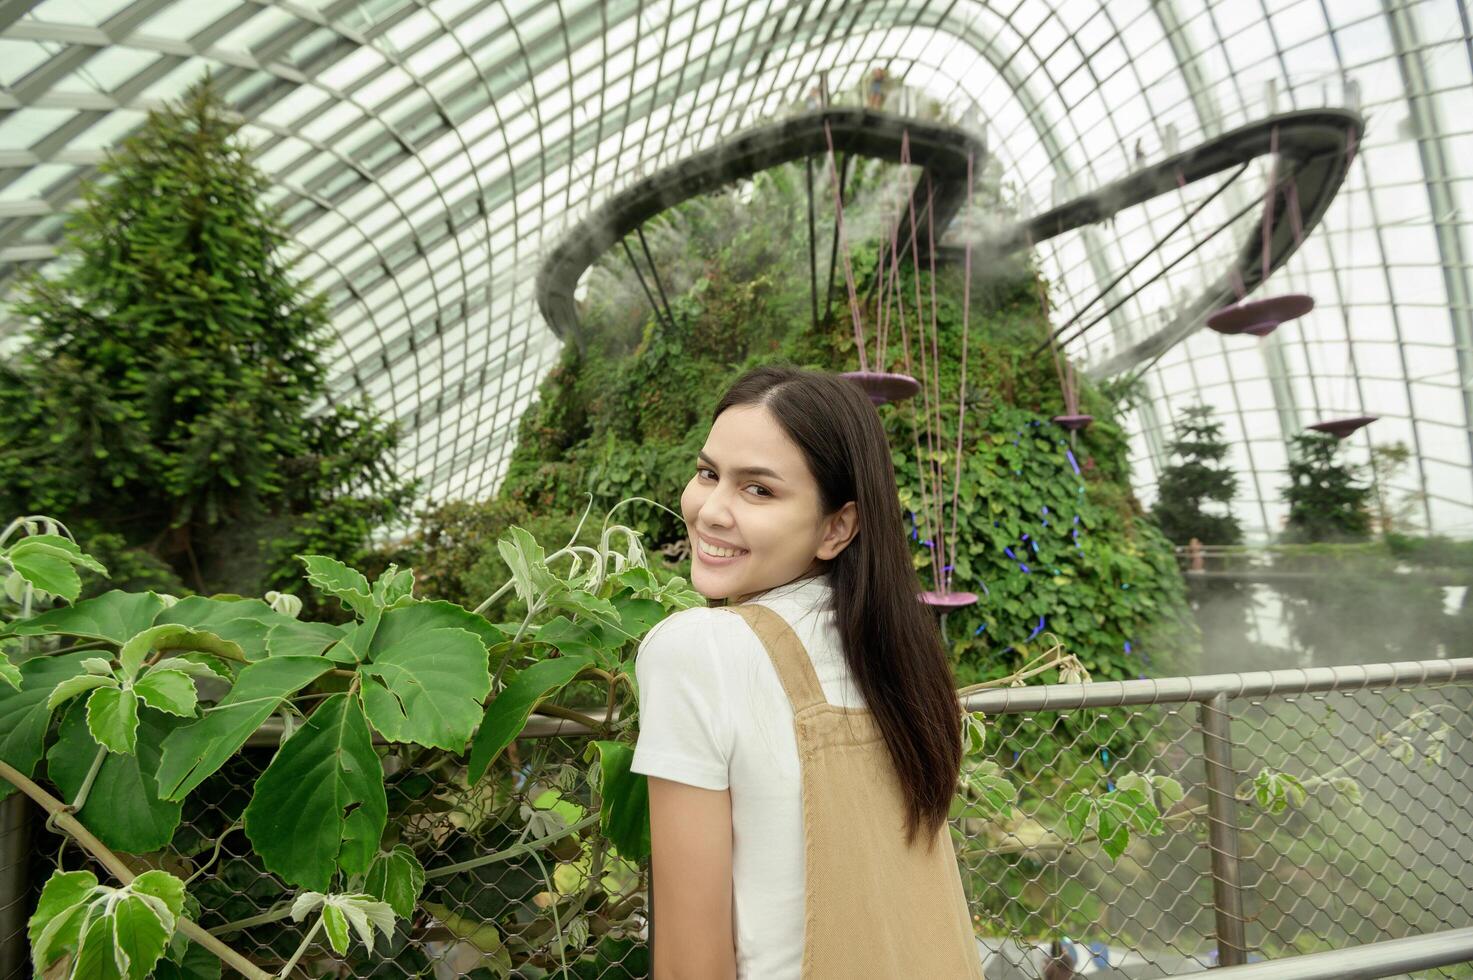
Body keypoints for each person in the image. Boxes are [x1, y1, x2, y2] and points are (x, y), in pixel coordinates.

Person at [630, 364, 985, 979]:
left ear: (836, 527)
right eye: (708, 473)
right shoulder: (897, 656)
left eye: (758, 490)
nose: (710, 511)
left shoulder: (698, 651)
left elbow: (692, 965)